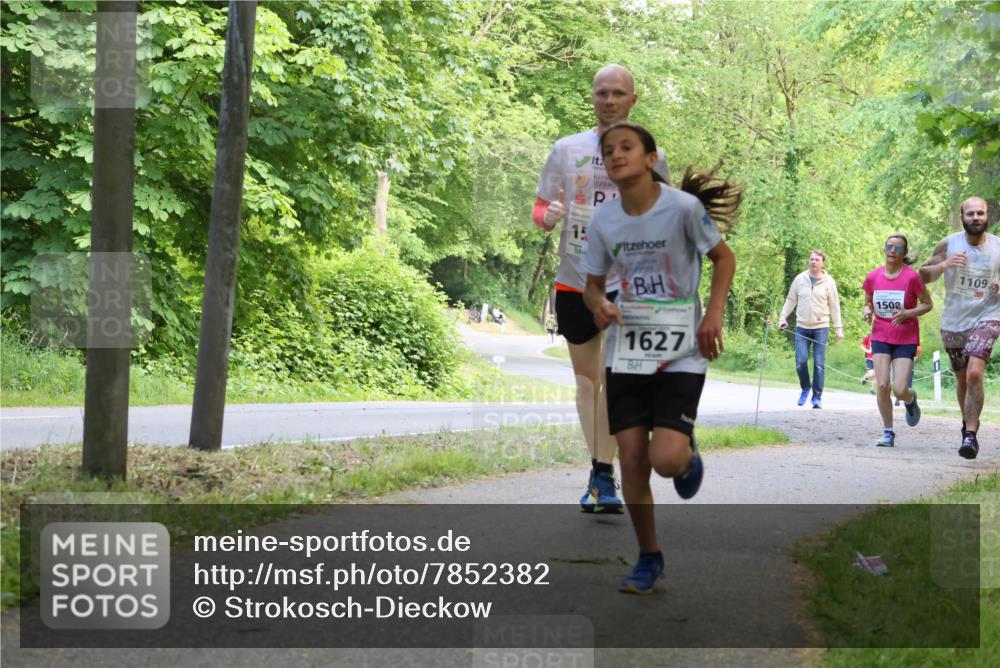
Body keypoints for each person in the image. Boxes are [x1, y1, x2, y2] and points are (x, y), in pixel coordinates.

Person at [581, 122, 739, 594]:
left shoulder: (684, 209)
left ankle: (686, 457)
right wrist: (600, 305)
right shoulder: (605, 221)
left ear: (651, 158)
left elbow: (724, 259)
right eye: (608, 150)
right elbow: (591, 286)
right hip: (627, 350)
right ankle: (649, 557)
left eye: (626, 147)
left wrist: (712, 315)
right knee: (631, 459)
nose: (615, 155)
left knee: (664, 460)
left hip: (680, 350)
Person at [533, 64, 669, 513]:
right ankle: (599, 469)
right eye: (600, 93)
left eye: (617, 93)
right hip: (575, 281)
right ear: (592, 98)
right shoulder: (566, 149)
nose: (608, 100)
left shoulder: (652, 156)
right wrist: (547, 216)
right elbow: (539, 209)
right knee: (588, 383)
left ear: (633, 100)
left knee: (616, 378)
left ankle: (604, 474)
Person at [919, 197, 1000, 459]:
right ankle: (967, 424)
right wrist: (946, 264)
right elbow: (923, 276)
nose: (976, 218)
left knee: (975, 373)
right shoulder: (949, 243)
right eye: (970, 214)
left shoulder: (998, 246)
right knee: (963, 377)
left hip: (989, 315)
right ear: (962, 217)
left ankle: (971, 435)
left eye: (980, 213)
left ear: (987, 217)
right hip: (954, 321)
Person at [863, 234, 933, 447]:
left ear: (904, 254)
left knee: (900, 390)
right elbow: (867, 301)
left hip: (905, 337)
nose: (893, 251)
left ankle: (911, 400)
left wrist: (908, 313)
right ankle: (888, 432)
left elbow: (928, 304)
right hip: (881, 335)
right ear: (884, 249)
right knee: (883, 384)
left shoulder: (912, 277)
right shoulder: (873, 276)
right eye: (889, 247)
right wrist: (867, 310)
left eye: (898, 248)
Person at [778, 250, 845, 409]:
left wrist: (838, 328)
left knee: (819, 364)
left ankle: (817, 398)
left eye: (817, 260)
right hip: (802, 327)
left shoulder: (829, 282)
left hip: (821, 328)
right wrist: (783, 317)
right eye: (811, 259)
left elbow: (834, 306)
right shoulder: (800, 279)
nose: (813, 262)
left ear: (823, 263)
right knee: (801, 362)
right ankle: (806, 388)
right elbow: (791, 300)